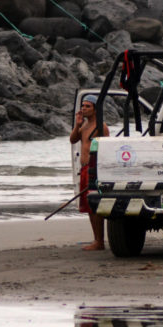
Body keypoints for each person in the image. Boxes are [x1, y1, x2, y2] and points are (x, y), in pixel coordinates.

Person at [70, 94, 110, 251]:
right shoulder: (84, 126)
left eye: (87, 106)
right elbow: (73, 140)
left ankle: (99, 241)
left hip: (94, 169)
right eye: (83, 106)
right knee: (88, 206)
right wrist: (77, 124)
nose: (83, 109)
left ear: (95, 109)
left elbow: (106, 149)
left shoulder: (101, 126)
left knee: (95, 205)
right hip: (84, 168)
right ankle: (96, 239)